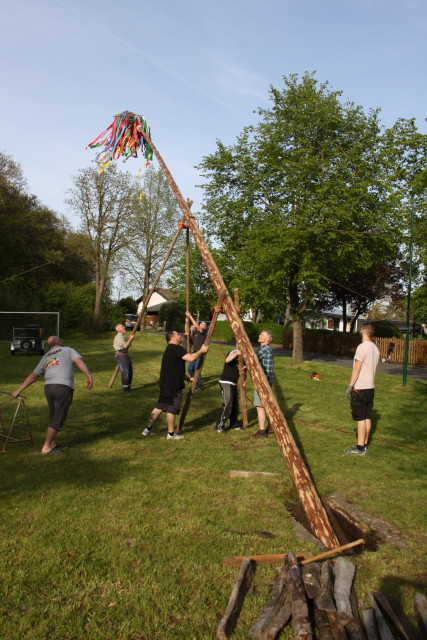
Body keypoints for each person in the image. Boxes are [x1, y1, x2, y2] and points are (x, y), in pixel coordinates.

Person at [11, 336, 93, 454]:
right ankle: (46, 447)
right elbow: (79, 361)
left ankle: (52, 442)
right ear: (59, 342)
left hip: (49, 387)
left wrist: (19, 389)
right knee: (59, 417)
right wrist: (89, 376)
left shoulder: (46, 356)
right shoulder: (68, 350)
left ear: (50, 345)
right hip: (62, 386)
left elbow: (34, 376)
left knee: (54, 414)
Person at [142, 330, 209, 439]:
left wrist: (188, 378)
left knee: (159, 406)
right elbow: (191, 358)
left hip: (166, 384)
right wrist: (201, 350)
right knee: (172, 408)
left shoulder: (170, 349)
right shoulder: (176, 348)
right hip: (173, 385)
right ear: (173, 338)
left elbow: (174, 368)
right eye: (178, 334)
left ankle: (147, 430)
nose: (180, 335)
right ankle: (171, 434)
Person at [344, 323, 380, 456]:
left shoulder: (362, 347)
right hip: (370, 388)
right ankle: (364, 445)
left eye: (361, 329)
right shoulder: (375, 348)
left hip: (360, 388)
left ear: (364, 331)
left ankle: (359, 448)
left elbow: (357, 368)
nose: (359, 331)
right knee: (366, 416)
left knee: (360, 417)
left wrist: (350, 386)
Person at [215, 349, 245, 433]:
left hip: (233, 383)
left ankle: (234, 424)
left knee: (235, 405)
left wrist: (244, 380)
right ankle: (219, 426)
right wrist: (236, 353)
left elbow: (243, 371)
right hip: (226, 382)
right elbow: (227, 360)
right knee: (228, 404)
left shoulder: (244, 356)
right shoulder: (234, 351)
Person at [252, 329, 274, 438]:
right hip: (265, 381)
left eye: (262, 335)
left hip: (263, 382)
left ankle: (262, 431)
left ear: (267, 339)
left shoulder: (265, 349)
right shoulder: (264, 349)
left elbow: (253, 359)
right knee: (266, 405)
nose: (259, 335)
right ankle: (272, 426)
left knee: (260, 406)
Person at [185, 311, 208, 391]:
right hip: (194, 353)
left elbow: (196, 326)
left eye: (203, 324)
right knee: (189, 369)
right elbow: (187, 331)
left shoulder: (203, 332)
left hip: (200, 353)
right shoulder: (195, 333)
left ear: (205, 327)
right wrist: (187, 320)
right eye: (201, 324)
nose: (201, 325)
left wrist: (190, 316)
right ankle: (194, 380)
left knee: (196, 369)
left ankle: (199, 386)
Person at [113, 323, 135, 392]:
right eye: (122, 327)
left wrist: (130, 340)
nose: (124, 327)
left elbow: (128, 345)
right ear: (119, 329)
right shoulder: (118, 336)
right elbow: (125, 346)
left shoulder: (122, 336)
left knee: (130, 371)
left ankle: (128, 387)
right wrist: (130, 338)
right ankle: (125, 389)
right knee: (125, 371)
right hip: (120, 355)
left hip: (125, 354)